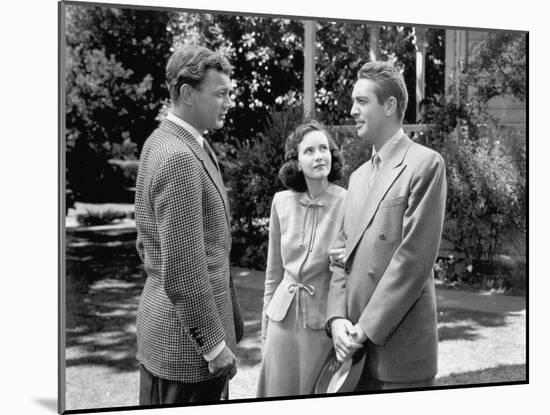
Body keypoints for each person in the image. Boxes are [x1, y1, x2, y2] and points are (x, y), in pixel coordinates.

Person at [326, 61, 447, 391]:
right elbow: (341, 257)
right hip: (352, 352)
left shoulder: (425, 164)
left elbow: (413, 260)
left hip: (400, 353)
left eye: (362, 101)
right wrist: (337, 320)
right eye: (353, 102)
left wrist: (362, 329)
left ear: (390, 105)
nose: (352, 110)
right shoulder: (358, 177)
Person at [134, 44, 244, 405]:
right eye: (220, 93)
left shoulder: (167, 142)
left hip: (179, 342)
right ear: (187, 94)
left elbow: (150, 245)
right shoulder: (178, 156)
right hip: (188, 355)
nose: (229, 102)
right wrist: (213, 346)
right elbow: (183, 269)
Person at [257, 120, 346, 397]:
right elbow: (273, 273)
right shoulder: (280, 202)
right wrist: (265, 331)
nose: (319, 155)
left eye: (324, 148)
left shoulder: (348, 201)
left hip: (321, 325)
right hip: (281, 324)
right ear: (296, 162)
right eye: (309, 151)